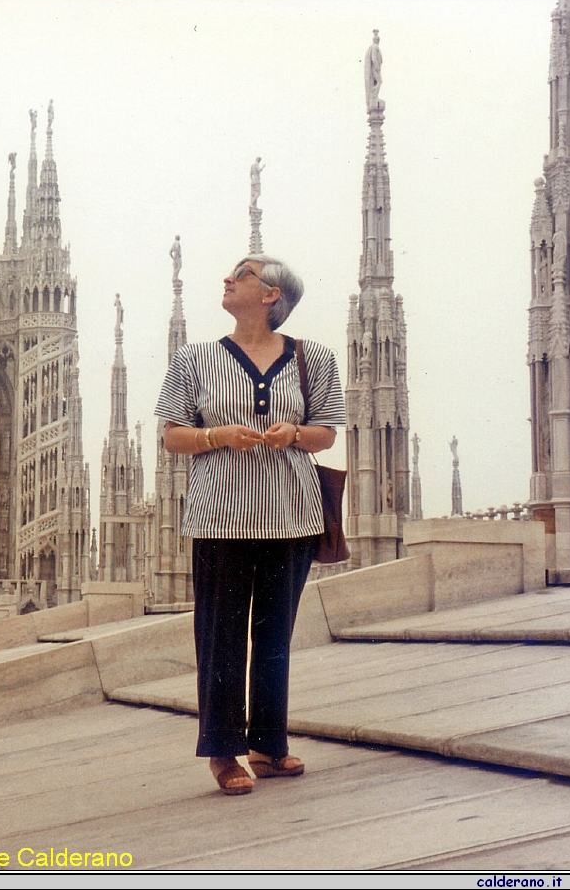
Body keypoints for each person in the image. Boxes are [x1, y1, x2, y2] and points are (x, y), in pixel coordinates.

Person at [154, 254, 344, 795]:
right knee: (221, 635)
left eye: (242, 274)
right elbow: (171, 436)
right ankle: (222, 751)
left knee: (275, 636)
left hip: (292, 515)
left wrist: (293, 434)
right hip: (221, 516)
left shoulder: (316, 359)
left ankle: (268, 744)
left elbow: (326, 433)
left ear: (270, 296)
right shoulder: (194, 360)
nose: (228, 279)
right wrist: (217, 436)